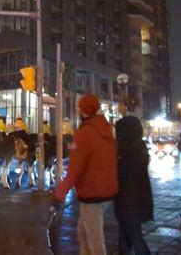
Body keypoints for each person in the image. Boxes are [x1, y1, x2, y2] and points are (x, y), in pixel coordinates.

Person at [55, 94, 118, 255]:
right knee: (83, 233)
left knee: (95, 242)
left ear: (82, 110)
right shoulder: (107, 130)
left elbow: (75, 168)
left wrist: (60, 193)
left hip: (91, 194)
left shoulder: (84, 133)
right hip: (106, 191)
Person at [114, 116, 152, 255]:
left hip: (128, 200)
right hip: (136, 198)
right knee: (126, 235)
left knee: (135, 236)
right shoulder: (139, 145)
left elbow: (121, 172)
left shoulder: (125, 148)